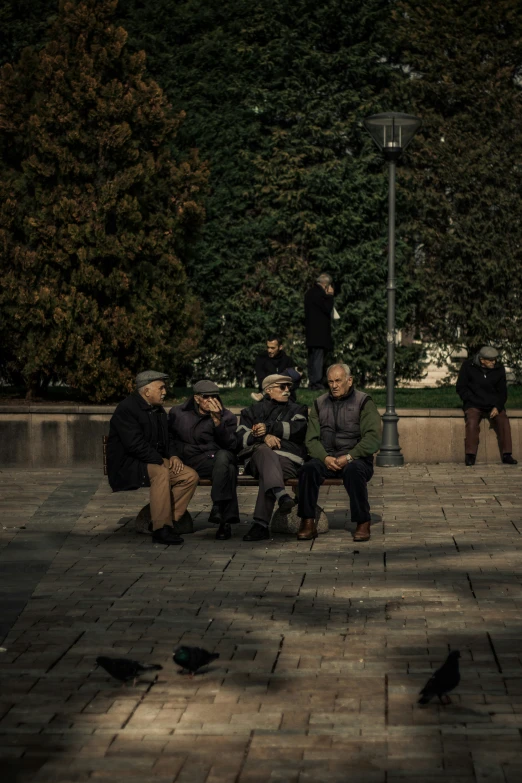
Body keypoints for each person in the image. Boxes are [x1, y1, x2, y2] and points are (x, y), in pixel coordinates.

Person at [106, 371, 199, 546]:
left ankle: (164, 520)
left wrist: (172, 456)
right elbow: (134, 445)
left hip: (150, 459)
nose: (165, 392)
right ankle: (161, 529)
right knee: (161, 472)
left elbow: (168, 438)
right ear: (147, 391)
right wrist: (159, 460)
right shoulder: (126, 409)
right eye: (161, 387)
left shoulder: (158, 410)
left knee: (189, 476)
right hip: (129, 463)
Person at [297, 363, 381, 542]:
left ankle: (362, 521)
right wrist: (324, 457)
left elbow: (373, 438)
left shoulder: (364, 401)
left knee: (354, 471)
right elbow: (311, 440)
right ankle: (307, 521)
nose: (334, 385)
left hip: (355, 457)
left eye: (338, 381)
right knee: (308, 469)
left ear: (349, 381)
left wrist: (349, 457)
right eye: (330, 382)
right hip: (326, 457)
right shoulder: (319, 403)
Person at [237, 374, 308, 542]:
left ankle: (261, 525)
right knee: (264, 452)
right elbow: (239, 438)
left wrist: (269, 429)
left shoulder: (298, 409)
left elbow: (298, 430)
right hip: (257, 459)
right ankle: (281, 495)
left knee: (268, 472)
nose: (287, 390)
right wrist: (262, 438)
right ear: (268, 390)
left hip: (287, 461)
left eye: (289, 387)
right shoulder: (251, 411)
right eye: (282, 387)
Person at [168, 379, 239, 540]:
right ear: (196, 398)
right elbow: (168, 438)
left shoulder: (226, 416)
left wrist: (217, 422)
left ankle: (219, 510)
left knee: (226, 461)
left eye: (214, 397)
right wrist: (173, 455)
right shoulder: (178, 413)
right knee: (230, 469)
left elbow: (231, 445)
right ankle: (224, 519)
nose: (211, 401)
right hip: (186, 460)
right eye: (206, 397)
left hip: (212, 460)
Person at [456, 346, 517, 466]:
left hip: (493, 404)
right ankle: (470, 455)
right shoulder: (468, 366)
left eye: (495, 359)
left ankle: (507, 455)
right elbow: (461, 387)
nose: (493, 362)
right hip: (473, 403)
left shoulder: (499, 369)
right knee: (472, 422)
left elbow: (503, 392)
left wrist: (497, 407)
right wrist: (471, 399)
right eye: (490, 360)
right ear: (482, 359)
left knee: (503, 420)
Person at [304, 273, 335, 390]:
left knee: (312, 358)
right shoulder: (321, 295)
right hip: (320, 333)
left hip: (310, 332)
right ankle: (316, 383)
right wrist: (330, 296)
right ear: (325, 285)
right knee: (318, 358)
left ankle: (312, 381)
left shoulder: (309, 293)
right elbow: (327, 308)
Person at [252, 335, 301, 402]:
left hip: (286, 394)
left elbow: (295, 382)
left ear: (280, 347)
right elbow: (262, 381)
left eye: (272, 348)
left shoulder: (288, 360)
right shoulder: (261, 359)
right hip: (268, 395)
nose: (269, 350)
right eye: (268, 347)